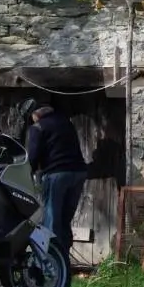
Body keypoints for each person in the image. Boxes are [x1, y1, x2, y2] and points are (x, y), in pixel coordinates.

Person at [21, 99, 88, 252]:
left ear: (35, 114)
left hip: (56, 174)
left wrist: (26, 174)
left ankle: (49, 260)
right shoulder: (66, 123)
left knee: (49, 220)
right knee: (65, 220)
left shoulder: (37, 128)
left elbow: (32, 157)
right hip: (78, 173)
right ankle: (64, 258)